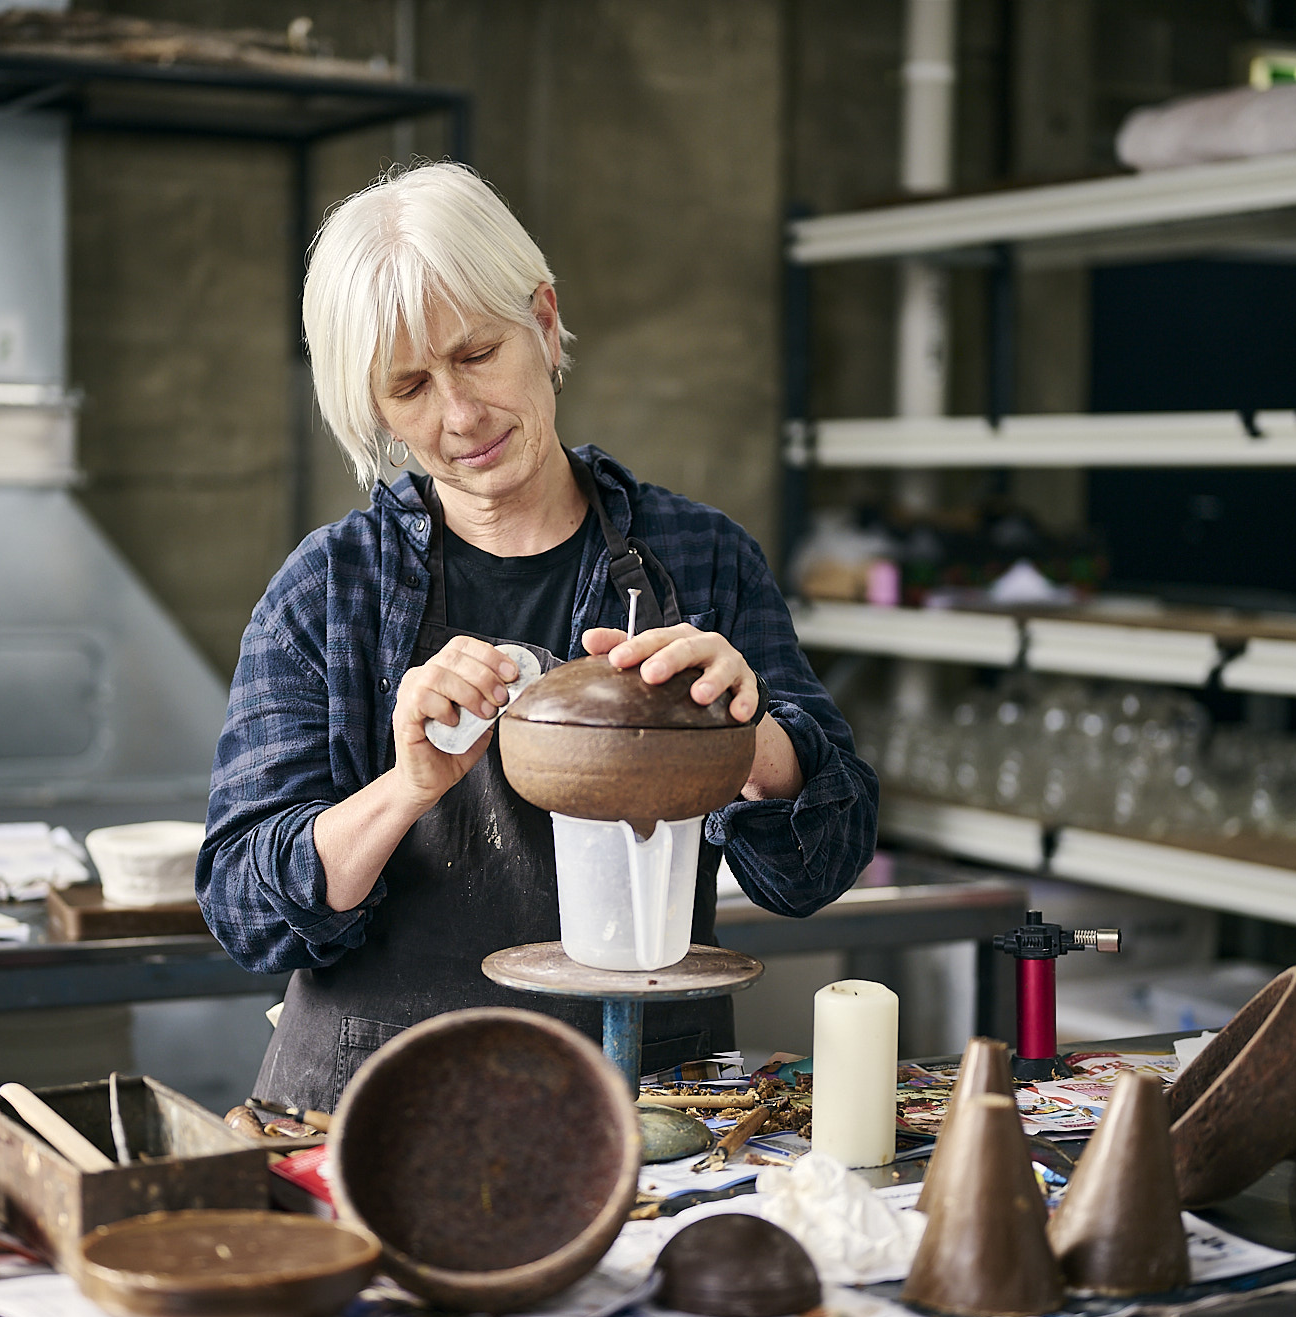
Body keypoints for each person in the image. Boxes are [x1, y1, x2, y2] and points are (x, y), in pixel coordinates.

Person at [197, 163, 878, 1111]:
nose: (460, 415)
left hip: (648, 1109)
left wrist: (752, 742)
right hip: (381, 1107)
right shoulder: (327, 591)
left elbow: (820, 867)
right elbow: (245, 910)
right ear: (377, 411)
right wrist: (405, 789)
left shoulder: (699, 559)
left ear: (545, 320)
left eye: (477, 354)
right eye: (410, 387)